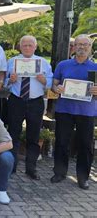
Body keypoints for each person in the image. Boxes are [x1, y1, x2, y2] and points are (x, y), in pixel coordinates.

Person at [50, 34, 96, 190]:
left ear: (90, 48)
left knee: (86, 145)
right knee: (62, 142)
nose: (82, 47)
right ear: (74, 47)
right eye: (79, 44)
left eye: (85, 44)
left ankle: (83, 178)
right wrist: (57, 88)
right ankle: (60, 172)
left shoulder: (96, 68)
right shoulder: (63, 65)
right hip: (65, 110)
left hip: (87, 112)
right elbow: (54, 85)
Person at [6, 35, 53, 180]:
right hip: (16, 101)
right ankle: (11, 167)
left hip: (35, 102)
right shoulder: (12, 61)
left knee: (33, 136)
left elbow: (50, 83)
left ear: (35, 47)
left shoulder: (43, 62)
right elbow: (6, 82)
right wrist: (10, 80)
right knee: (13, 134)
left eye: (30, 45)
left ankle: (31, 168)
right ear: (20, 47)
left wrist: (44, 80)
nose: (27, 47)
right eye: (24, 45)